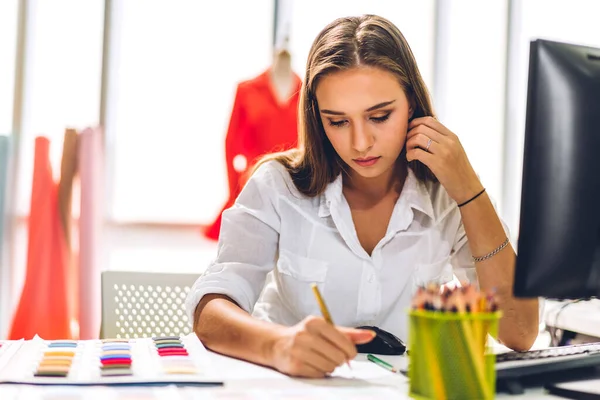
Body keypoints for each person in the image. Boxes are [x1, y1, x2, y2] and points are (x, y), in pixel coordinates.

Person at [186, 14, 539, 378]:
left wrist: (469, 191)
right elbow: (211, 312)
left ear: (413, 106)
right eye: (337, 121)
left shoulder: (448, 196)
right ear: (316, 118)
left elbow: (520, 333)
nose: (360, 143)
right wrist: (279, 344)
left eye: (380, 116)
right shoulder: (277, 185)